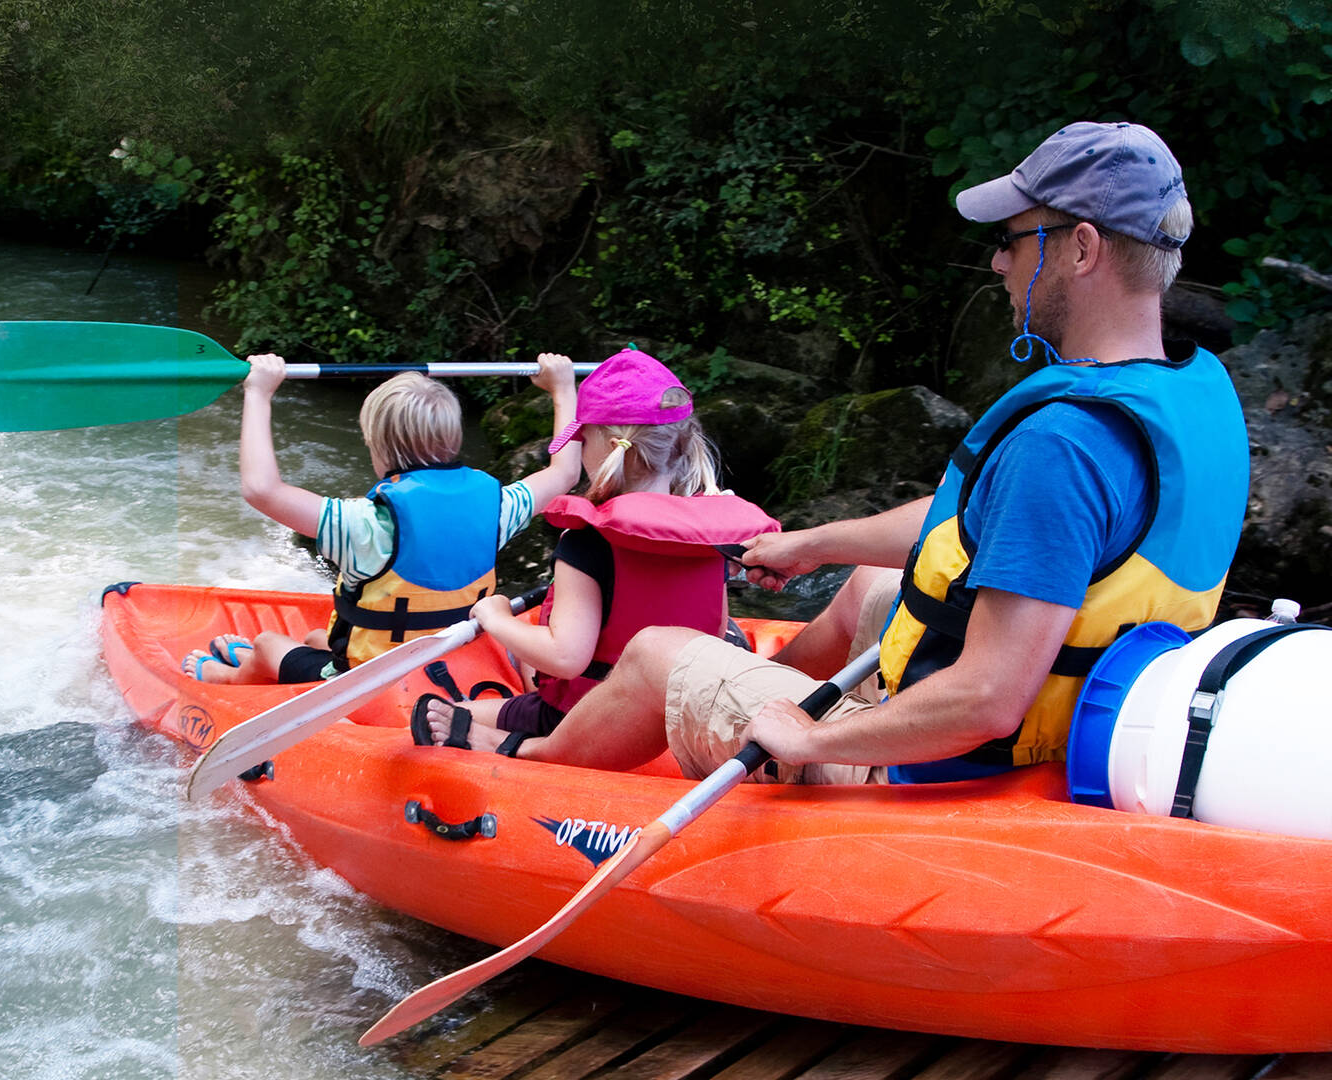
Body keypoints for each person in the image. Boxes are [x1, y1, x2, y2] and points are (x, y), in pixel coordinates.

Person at [483, 120, 1250, 785]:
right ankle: (745, 689)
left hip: (941, 760)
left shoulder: (1065, 442)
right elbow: (983, 522)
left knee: (652, 651)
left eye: (1015, 241)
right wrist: (814, 545)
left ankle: (539, 765)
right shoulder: (1185, 400)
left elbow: (989, 698)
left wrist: (815, 737)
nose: (998, 264)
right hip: (1079, 720)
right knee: (870, 586)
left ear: (1082, 249)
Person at [413, 348, 778, 755]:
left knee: (447, 709)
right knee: (532, 658)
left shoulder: (586, 541)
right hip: (676, 716)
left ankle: (507, 743)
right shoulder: (709, 536)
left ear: (604, 446)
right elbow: (715, 629)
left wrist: (495, 618)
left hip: (583, 716)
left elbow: (566, 657)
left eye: (582, 438)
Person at [181, 351, 581, 684]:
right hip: (449, 660)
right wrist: (563, 389)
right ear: (454, 439)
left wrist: (258, 393)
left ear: (381, 451)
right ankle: (280, 661)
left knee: (269, 643)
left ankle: (227, 678)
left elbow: (261, 489)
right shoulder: (500, 508)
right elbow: (565, 472)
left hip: (370, 681)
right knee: (317, 636)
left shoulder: (365, 524)